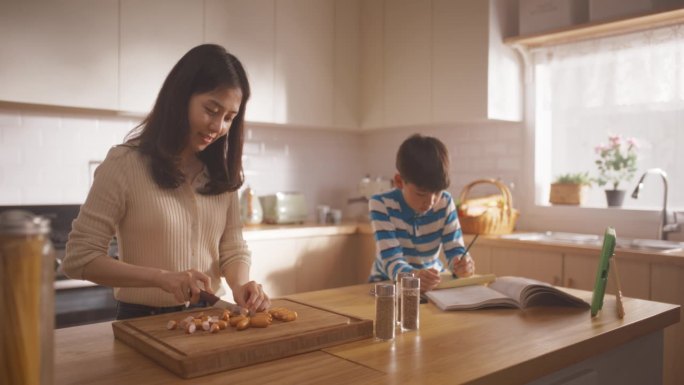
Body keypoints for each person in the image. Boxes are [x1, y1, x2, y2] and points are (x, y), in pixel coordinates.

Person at [62, 44, 270, 319]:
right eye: (211, 109)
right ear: (180, 98)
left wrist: (241, 284)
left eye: (229, 118)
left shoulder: (220, 174)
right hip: (143, 320)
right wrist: (162, 278)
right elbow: (80, 258)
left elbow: (232, 247)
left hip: (212, 319)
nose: (218, 127)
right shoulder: (125, 164)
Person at [368, 133, 475, 292]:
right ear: (399, 181)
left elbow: (455, 250)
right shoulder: (381, 204)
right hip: (386, 285)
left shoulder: (445, 202)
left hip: (431, 286)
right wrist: (412, 276)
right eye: (421, 193)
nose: (431, 202)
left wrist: (462, 264)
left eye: (437, 192)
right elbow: (391, 260)